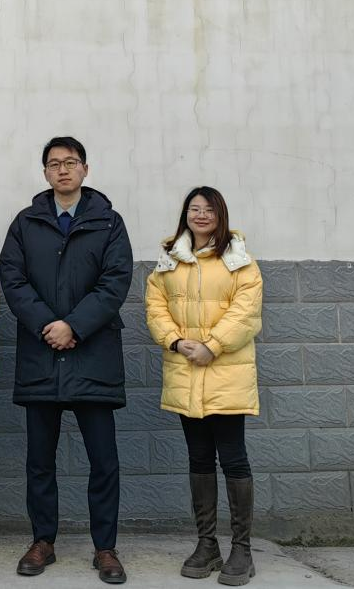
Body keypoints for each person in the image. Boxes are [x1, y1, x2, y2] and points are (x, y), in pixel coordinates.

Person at [0, 136, 133, 585]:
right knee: (40, 461)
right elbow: (13, 280)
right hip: (42, 357)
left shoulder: (109, 222)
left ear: (85, 169)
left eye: (71, 162)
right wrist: (48, 325)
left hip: (93, 356)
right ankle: (43, 541)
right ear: (45, 173)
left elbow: (115, 282)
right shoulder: (26, 223)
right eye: (54, 164)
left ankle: (105, 547)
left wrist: (74, 326)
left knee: (103, 461)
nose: (63, 170)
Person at [145, 187, 263, 586]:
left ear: (220, 215)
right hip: (185, 370)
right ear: (185, 215)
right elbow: (155, 307)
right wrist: (176, 342)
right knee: (198, 458)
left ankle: (242, 549)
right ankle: (207, 544)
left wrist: (212, 346)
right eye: (193, 209)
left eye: (208, 209)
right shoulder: (170, 259)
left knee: (233, 457)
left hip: (227, 372)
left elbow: (246, 312)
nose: (200, 215)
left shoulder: (239, 260)